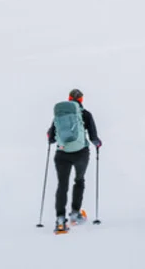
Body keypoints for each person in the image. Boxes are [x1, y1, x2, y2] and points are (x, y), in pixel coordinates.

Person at [47, 89, 101, 232]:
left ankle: (60, 220)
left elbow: (51, 138)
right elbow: (93, 137)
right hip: (80, 154)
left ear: (69, 99)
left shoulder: (59, 116)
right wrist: (98, 144)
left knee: (62, 185)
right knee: (79, 180)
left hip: (62, 153)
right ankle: (75, 214)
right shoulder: (86, 114)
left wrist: (50, 136)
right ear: (81, 100)